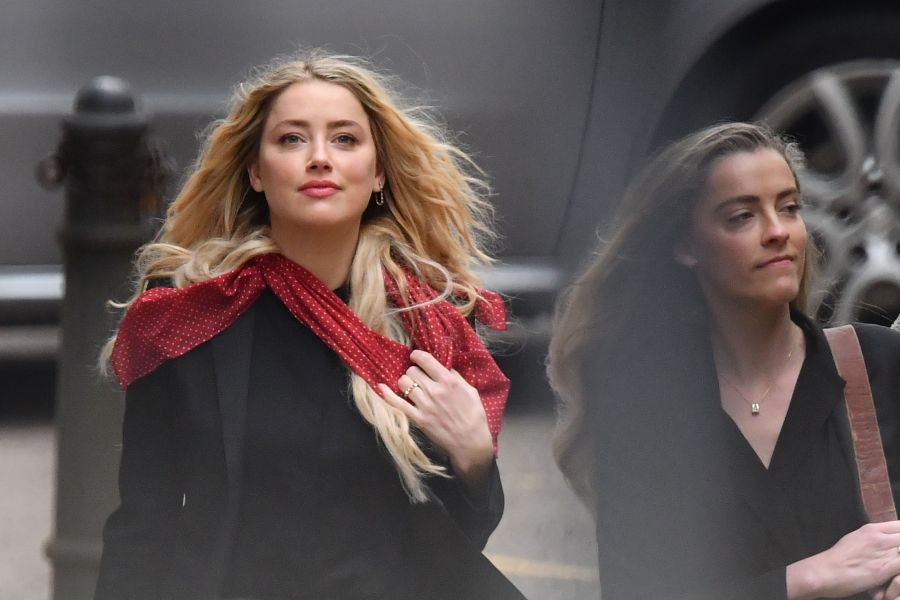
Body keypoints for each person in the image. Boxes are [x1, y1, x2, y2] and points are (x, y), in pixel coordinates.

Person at [94, 51, 523, 600]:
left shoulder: (427, 322)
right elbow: (143, 523)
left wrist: (474, 459)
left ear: (378, 173)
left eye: (344, 139)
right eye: (292, 139)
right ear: (255, 170)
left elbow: (454, 540)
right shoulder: (189, 313)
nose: (319, 158)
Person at [547, 122, 900, 599]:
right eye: (742, 217)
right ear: (687, 246)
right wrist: (811, 578)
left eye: (790, 208)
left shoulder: (878, 364)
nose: (778, 232)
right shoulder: (645, 407)